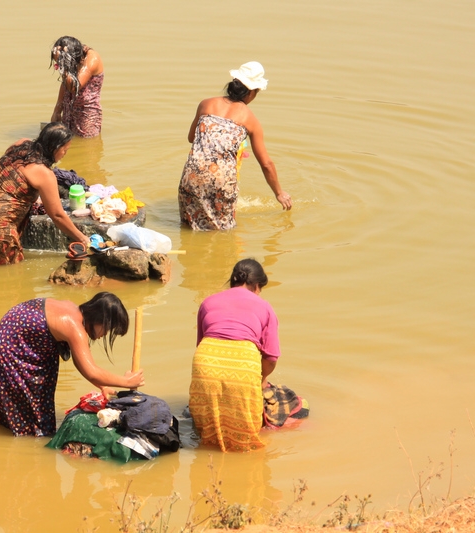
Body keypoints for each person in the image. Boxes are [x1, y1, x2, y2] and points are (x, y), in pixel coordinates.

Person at [0, 292, 145, 436]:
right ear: (100, 320)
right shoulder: (73, 326)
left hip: (4, 344)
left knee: (14, 418)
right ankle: (27, 454)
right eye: (107, 329)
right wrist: (127, 382)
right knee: (31, 425)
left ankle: (2, 445)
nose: (104, 334)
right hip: (11, 354)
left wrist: (102, 386)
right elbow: (91, 371)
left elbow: (82, 363)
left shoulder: (72, 309)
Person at [0, 122, 89, 266]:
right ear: (55, 148)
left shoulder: (20, 144)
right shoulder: (45, 174)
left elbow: (11, 179)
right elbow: (57, 215)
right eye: (65, 149)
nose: (65, 154)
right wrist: (82, 238)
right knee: (8, 276)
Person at [178, 61, 293, 231]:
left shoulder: (206, 104)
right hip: (221, 182)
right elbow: (266, 164)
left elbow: (191, 138)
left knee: (190, 228)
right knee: (222, 235)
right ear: (253, 92)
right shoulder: (251, 120)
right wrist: (279, 193)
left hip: (191, 175)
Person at [188, 258, 280, 452]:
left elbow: (201, 344)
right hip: (244, 362)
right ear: (256, 286)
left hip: (206, 361)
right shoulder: (265, 307)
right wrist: (262, 380)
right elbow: (271, 356)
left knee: (206, 429)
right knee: (248, 440)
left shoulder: (207, 302)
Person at [50, 36, 104, 138]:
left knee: (87, 147)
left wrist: (62, 63)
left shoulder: (92, 59)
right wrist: (57, 111)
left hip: (87, 114)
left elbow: (74, 87)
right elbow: (65, 83)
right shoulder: (73, 54)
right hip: (69, 109)